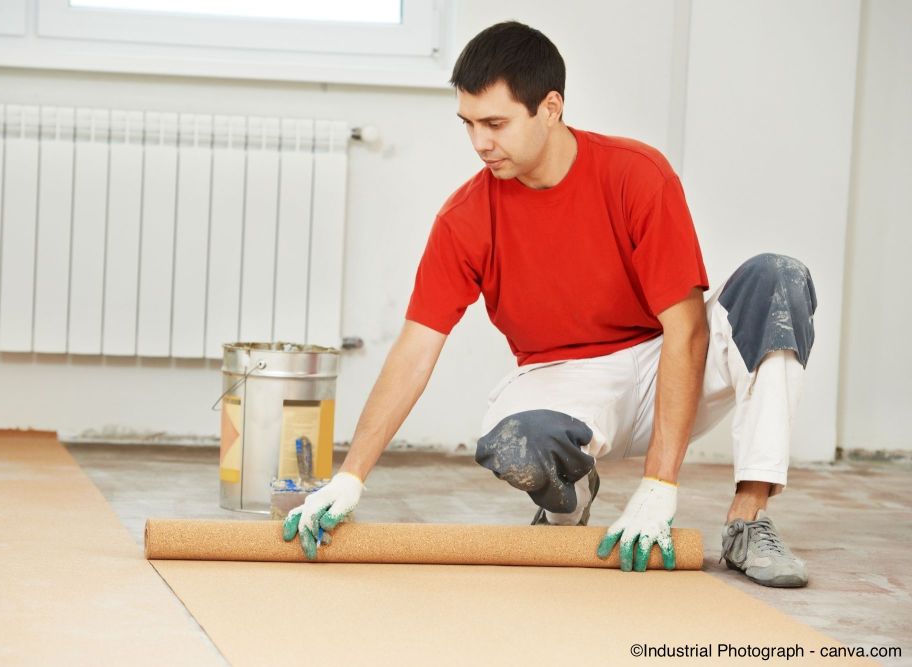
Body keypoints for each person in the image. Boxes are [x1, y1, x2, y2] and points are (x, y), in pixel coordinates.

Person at [283, 21, 815, 588]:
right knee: (515, 443)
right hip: (567, 381)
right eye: (468, 124)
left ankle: (748, 519)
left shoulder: (638, 175)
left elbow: (686, 329)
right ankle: (570, 499)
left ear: (551, 108)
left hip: (668, 358)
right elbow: (415, 350)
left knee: (777, 279)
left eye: (496, 124)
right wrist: (350, 478)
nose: (480, 143)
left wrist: (659, 486)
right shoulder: (465, 218)